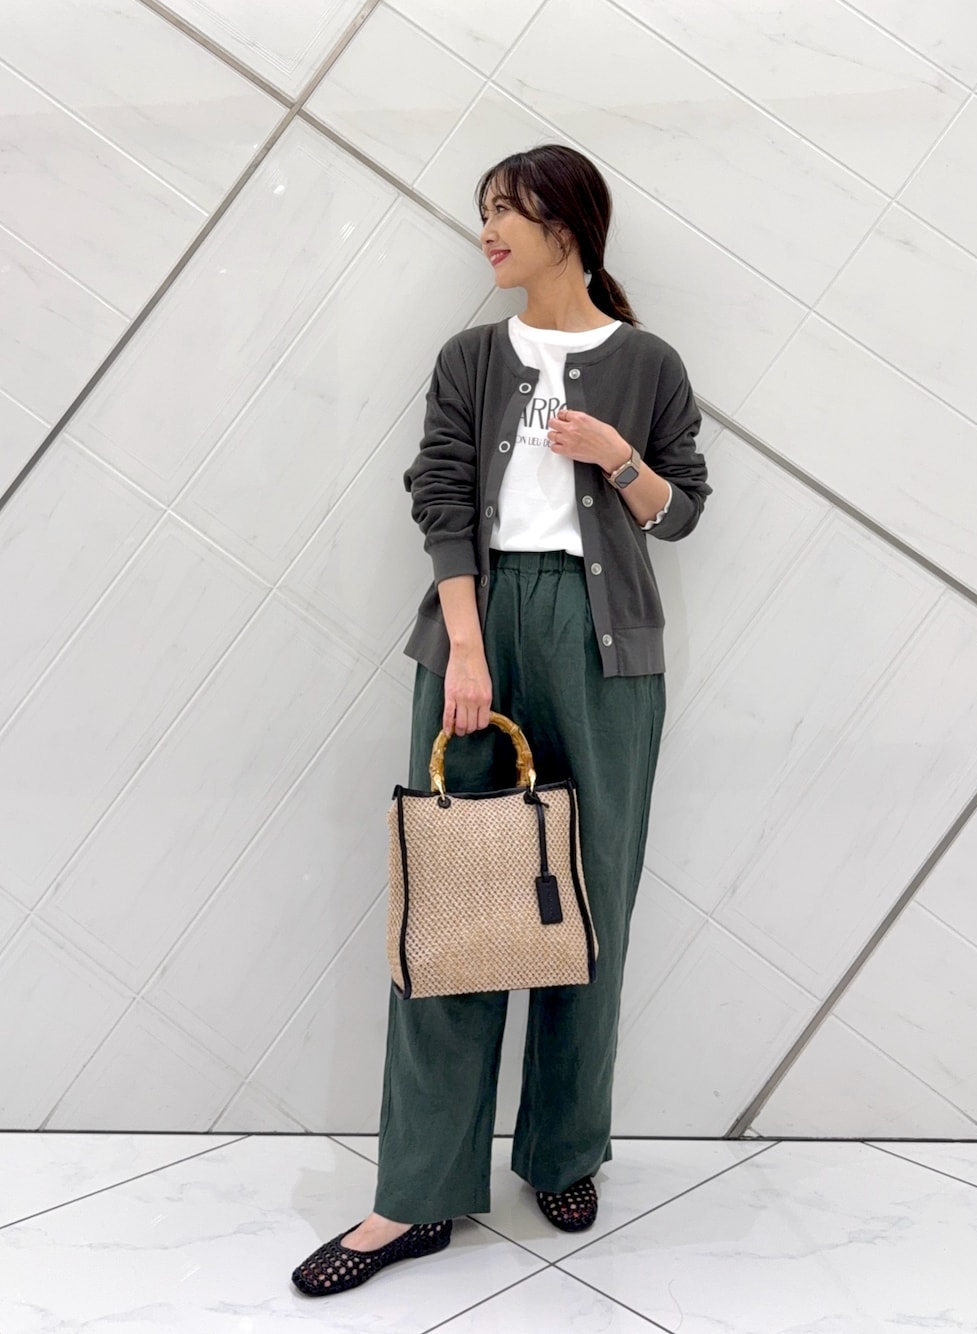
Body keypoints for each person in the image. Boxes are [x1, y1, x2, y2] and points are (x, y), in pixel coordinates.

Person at [291, 143, 711, 1297]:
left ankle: (563, 1151)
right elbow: (438, 496)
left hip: (603, 645)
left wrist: (617, 457)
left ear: (565, 226)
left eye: (505, 212)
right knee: (451, 904)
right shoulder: (471, 358)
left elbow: (680, 511)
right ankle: (415, 1193)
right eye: (483, 211)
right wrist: (467, 650)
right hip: (475, 631)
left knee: (586, 901)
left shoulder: (648, 363)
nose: (486, 231)